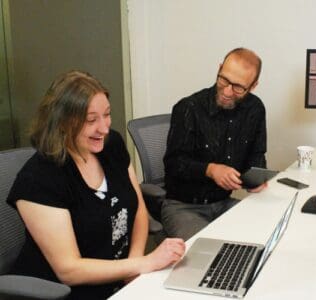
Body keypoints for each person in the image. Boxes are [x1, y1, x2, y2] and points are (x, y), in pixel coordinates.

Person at [6, 71, 185, 300]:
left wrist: (135, 264)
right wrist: (144, 263)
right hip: (69, 293)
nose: (104, 128)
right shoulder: (39, 179)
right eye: (91, 120)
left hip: (122, 282)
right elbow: (69, 270)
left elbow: (138, 208)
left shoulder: (111, 145)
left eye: (107, 115)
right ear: (62, 122)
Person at [161, 48, 268, 241]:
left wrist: (256, 178)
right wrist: (210, 170)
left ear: (253, 86)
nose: (227, 91)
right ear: (219, 68)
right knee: (209, 252)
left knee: (265, 234)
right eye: (224, 80)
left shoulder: (255, 109)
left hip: (223, 203)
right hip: (183, 206)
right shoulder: (189, 108)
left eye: (238, 87)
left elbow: (257, 154)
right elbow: (174, 164)